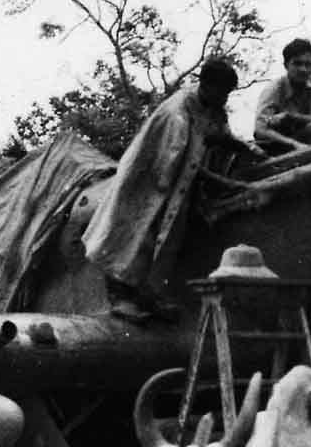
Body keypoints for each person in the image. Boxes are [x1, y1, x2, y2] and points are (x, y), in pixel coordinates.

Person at [83, 57, 265, 322]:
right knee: (136, 236)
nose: (225, 99)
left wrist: (247, 148)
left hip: (175, 185)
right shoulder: (176, 114)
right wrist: (231, 184)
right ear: (207, 86)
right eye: (222, 92)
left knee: (167, 240)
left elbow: (219, 134)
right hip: (149, 181)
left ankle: (148, 295)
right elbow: (186, 166)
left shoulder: (211, 106)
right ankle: (121, 299)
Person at [254, 38, 311, 154]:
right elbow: (260, 130)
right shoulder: (274, 89)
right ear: (286, 65)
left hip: (301, 138)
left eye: (308, 64)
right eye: (297, 63)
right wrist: (293, 144)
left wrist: (290, 116)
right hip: (275, 144)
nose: (303, 69)